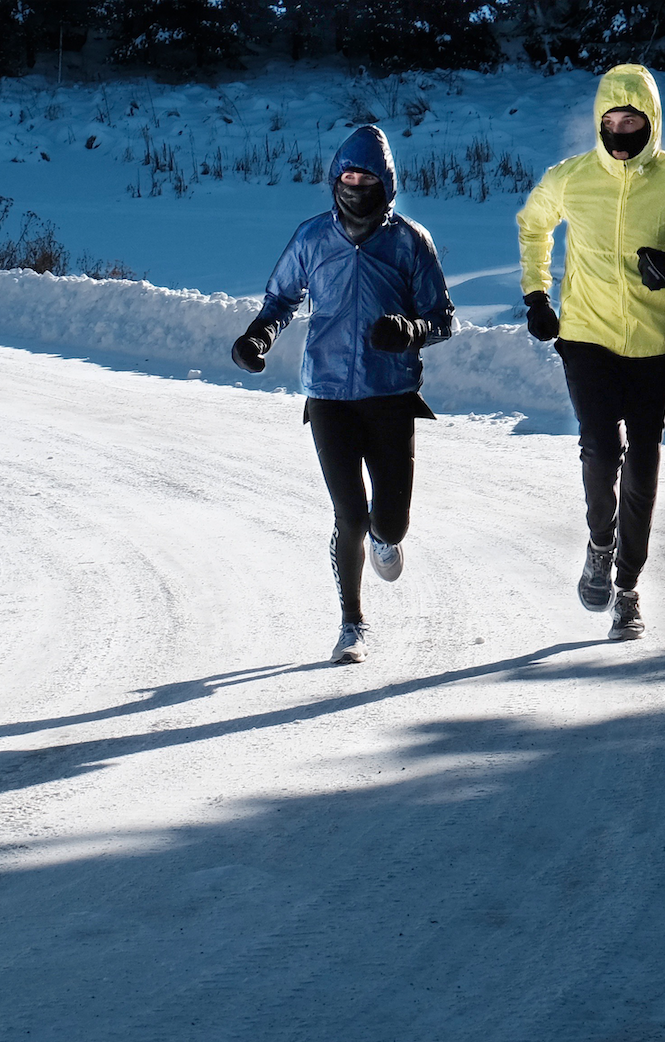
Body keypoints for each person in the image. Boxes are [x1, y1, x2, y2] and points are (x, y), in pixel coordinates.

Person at [516, 63, 665, 641]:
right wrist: (536, 294)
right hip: (585, 335)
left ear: (650, 122)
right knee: (601, 451)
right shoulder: (571, 178)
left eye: (630, 119)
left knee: (643, 463)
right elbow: (533, 227)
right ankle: (599, 545)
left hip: (653, 342)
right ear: (598, 121)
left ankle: (628, 588)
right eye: (610, 118)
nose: (619, 128)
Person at [232, 125, 454, 665]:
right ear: (335, 180)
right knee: (349, 514)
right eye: (347, 176)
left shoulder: (409, 241)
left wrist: (409, 330)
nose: (355, 185)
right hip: (327, 392)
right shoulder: (312, 238)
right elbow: (281, 296)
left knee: (390, 521)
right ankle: (352, 624)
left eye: (366, 177)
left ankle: (386, 536)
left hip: (391, 392)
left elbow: (443, 318)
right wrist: (259, 335)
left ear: (386, 182)